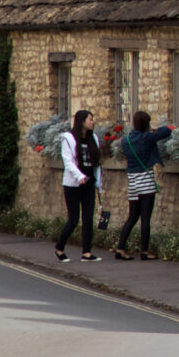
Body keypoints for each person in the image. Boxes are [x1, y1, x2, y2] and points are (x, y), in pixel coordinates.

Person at [111, 110, 171, 260]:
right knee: (145, 218)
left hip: (133, 182)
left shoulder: (126, 140)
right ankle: (145, 251)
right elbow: (166, 131)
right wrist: (154, 130)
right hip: (146, 182)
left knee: (132, 216)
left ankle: (121, 247)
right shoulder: (147, 138)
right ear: (146, 123)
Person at [54, 109, 103, 262]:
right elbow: (68, 161)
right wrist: (79, 176)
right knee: (74, 219)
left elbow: (96, 163)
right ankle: (59, 247)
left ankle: (87, 253)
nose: (92, 122)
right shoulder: (68, 138)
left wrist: (98, 183)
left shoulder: (93, 138)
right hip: (73, 184)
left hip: (89, 182)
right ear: (82, 121)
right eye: (90, 119)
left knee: (88, 218)